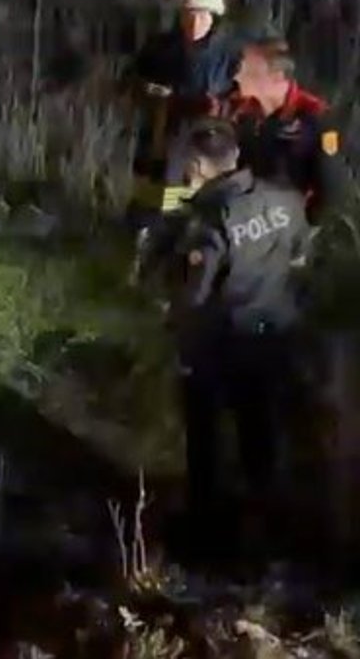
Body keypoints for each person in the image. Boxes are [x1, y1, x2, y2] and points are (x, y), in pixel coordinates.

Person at [159, 119, 312, 572]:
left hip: (225, 346)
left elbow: (194, 297)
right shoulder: (284, 200)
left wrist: (179, 336)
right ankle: (272, 536)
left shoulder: (208, 222)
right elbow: (301, 259)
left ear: (196, 165)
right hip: (277, 336)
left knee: (206, 442)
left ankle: (206, 539)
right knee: (263, 436)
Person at [125, 0, 240, 218]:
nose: (194, 23)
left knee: (200, 201)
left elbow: (241, 96)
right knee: (154, 196)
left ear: (214, 17)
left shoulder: (230, 53)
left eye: (202, 16)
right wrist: (150, 91)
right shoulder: (161, 48)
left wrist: (219, 107)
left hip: (209, 141)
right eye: (189, 15)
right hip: (162, 132)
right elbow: (131, 81)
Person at [221, 36, 350, 226]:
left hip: (286, 224)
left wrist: (305, 225)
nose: (237, 77)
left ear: (277, 76)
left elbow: (333, 185)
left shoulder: (318, 117)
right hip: (245, 217)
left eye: (249, 72)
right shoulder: (239, 110)